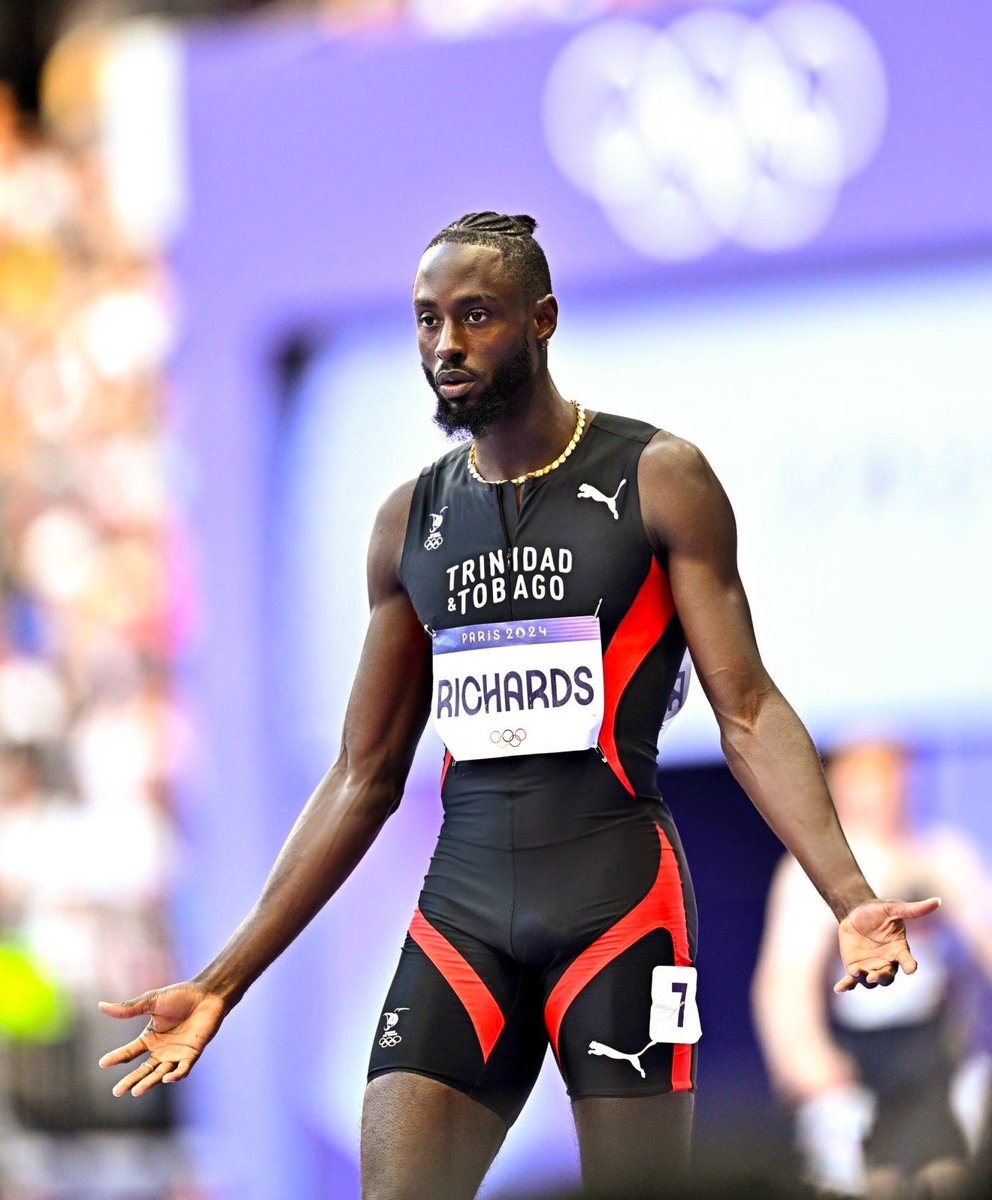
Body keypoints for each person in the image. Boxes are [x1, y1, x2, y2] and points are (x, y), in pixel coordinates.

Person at [98, 212, 940, 1200]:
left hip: (620, 913)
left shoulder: (655, 477)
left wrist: (847, 897)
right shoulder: (408, 522)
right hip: (463, 916)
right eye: (426, 322)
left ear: (540, 320)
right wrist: (220, 980)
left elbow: (746, 710)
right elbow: (362, 775)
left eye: (475, 316)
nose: (445, 345)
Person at [753, 739, 992, 1199]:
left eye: (886, 775)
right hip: (853, 1062)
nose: (875, 793)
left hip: (934, 1056)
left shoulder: (941, 857)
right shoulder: (804, 878)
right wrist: (801, 1054)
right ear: (834, 785)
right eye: (860, 778)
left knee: (950, 1175)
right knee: (852, 1176)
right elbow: (784, 980)